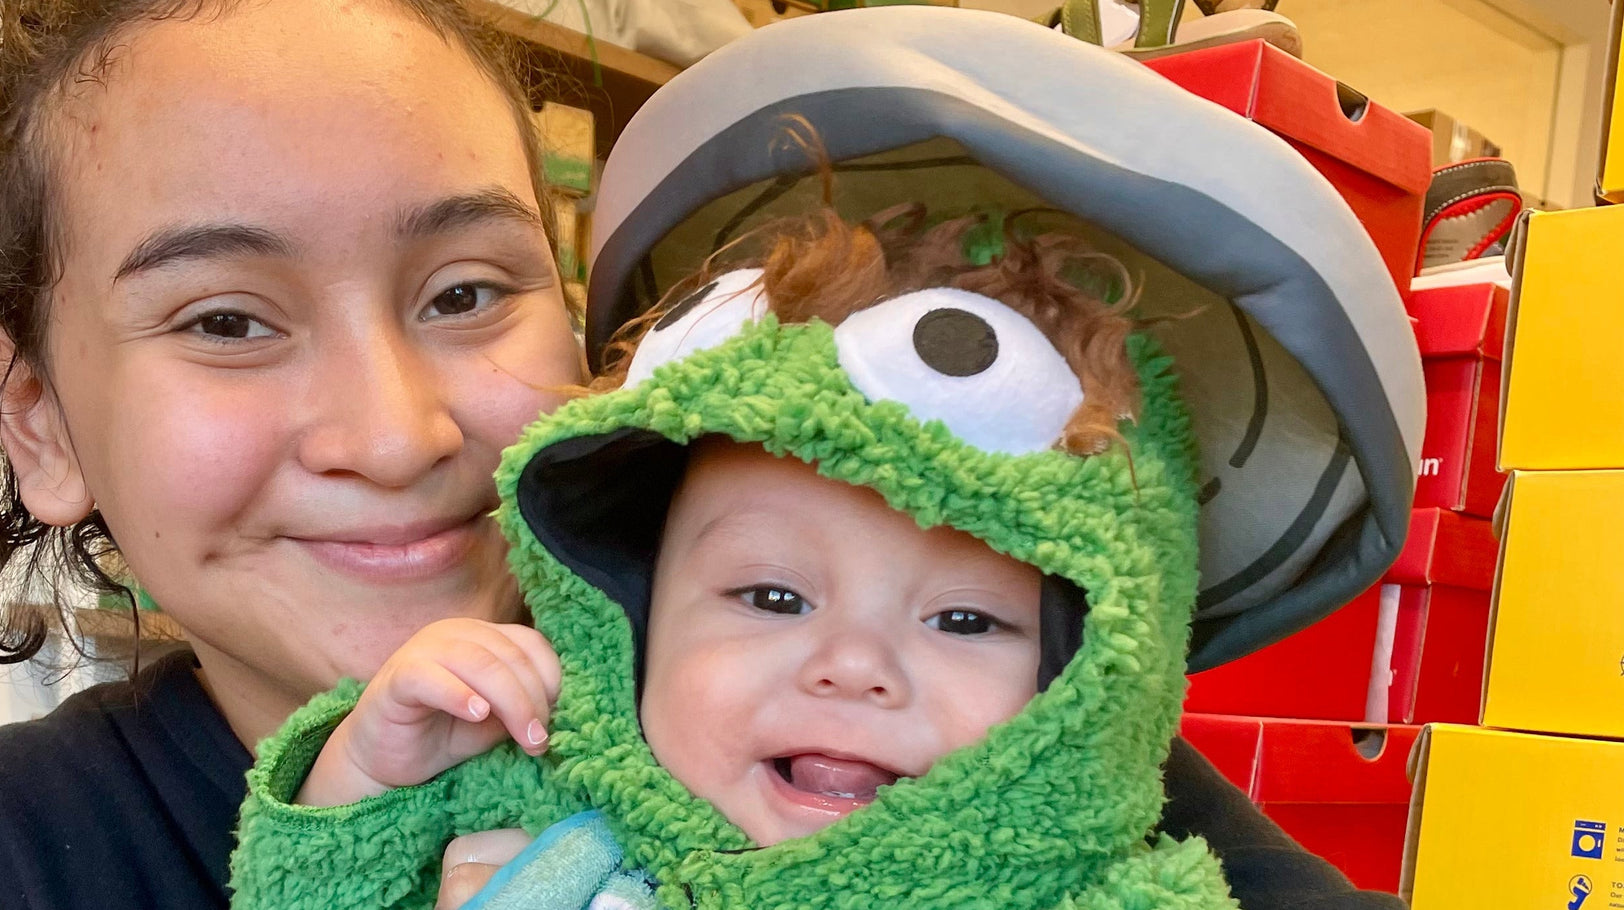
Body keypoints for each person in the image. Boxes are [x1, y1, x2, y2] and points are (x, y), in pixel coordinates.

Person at [0, 0, 1406, 907]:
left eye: (467, 291)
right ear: (39, 419)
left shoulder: (997, 769)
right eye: (225, 319)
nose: (396, 430)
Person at [232, 207, 1241, 909]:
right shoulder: (540, 810)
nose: (851, 665)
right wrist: (362, 782)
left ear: (1091, 678)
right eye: (770, 594)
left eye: (964, 620)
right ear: (626, 622)